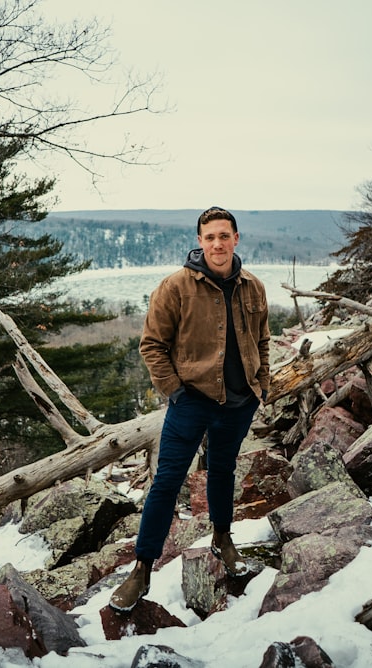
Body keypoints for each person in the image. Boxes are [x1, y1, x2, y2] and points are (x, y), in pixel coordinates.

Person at [109, 206, 270, 613]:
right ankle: (142, 568)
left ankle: (222, 538)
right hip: (190, 402)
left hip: (239, 402)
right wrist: (175, 392)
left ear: (236, 239)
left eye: (224, 236)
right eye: (209, 237)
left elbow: (263, 339)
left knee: (223, 471)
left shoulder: (253, 287)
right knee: (166, 483)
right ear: (199, 242)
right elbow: (152, 346)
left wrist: (261, 384)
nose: (217, 244)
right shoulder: (175, 287)